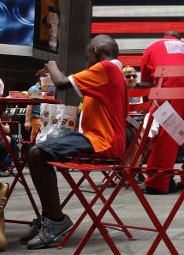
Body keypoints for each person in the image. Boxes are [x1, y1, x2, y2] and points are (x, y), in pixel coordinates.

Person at [21, 34, 127, 250]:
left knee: (36, 153)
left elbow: (61, 83)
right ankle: (47, 217)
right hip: (98, 138)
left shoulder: (105, 68)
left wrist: (52, 65)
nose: (86, 61)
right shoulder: (112, 72)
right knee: (32, 150)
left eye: (87, 55)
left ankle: (56, 220)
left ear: (95, 51)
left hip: (102, 141)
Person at [140, 31, 184, 194]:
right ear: (180, 40)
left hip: (169, 91)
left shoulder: (152, 48)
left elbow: (146, 84)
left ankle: (158, 182)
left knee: (166, 135)